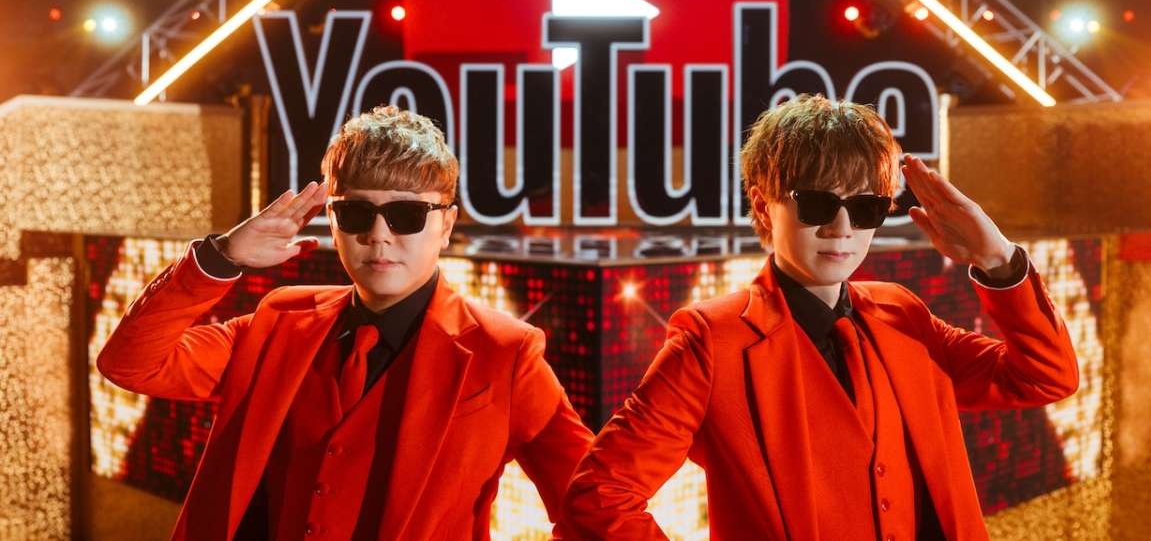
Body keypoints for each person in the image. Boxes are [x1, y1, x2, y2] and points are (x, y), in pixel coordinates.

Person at [557, 94, 1079, 541]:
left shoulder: (902, 314)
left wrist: (996, 258)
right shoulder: (712, 341)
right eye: (816, 204)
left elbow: (1045, 376)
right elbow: (598, 499)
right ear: (765, 207)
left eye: (866, 207)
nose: (841, 228)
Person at [98, 106, 593, 540]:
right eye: (355, 213)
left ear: (445, 224)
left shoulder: (505, 352)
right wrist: (221, 257)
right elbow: (132, 364)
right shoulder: (280, 321)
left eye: (406, 215)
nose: (379, 235)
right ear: (333, 222)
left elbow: (593, 502)